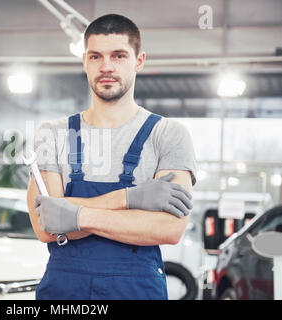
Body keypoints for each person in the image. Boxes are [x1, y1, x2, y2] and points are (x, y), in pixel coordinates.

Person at [26, 14, 197, 300]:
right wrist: (129, 199)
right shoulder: (52, 134)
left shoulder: (169, 134)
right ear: (84, 61)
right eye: (95, 57)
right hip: (64, 292)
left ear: (139, 61)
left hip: (137, 290)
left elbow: (169, 228)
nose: (106, 67)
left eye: (118, 56)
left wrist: (74, 216)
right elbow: (46, 226)